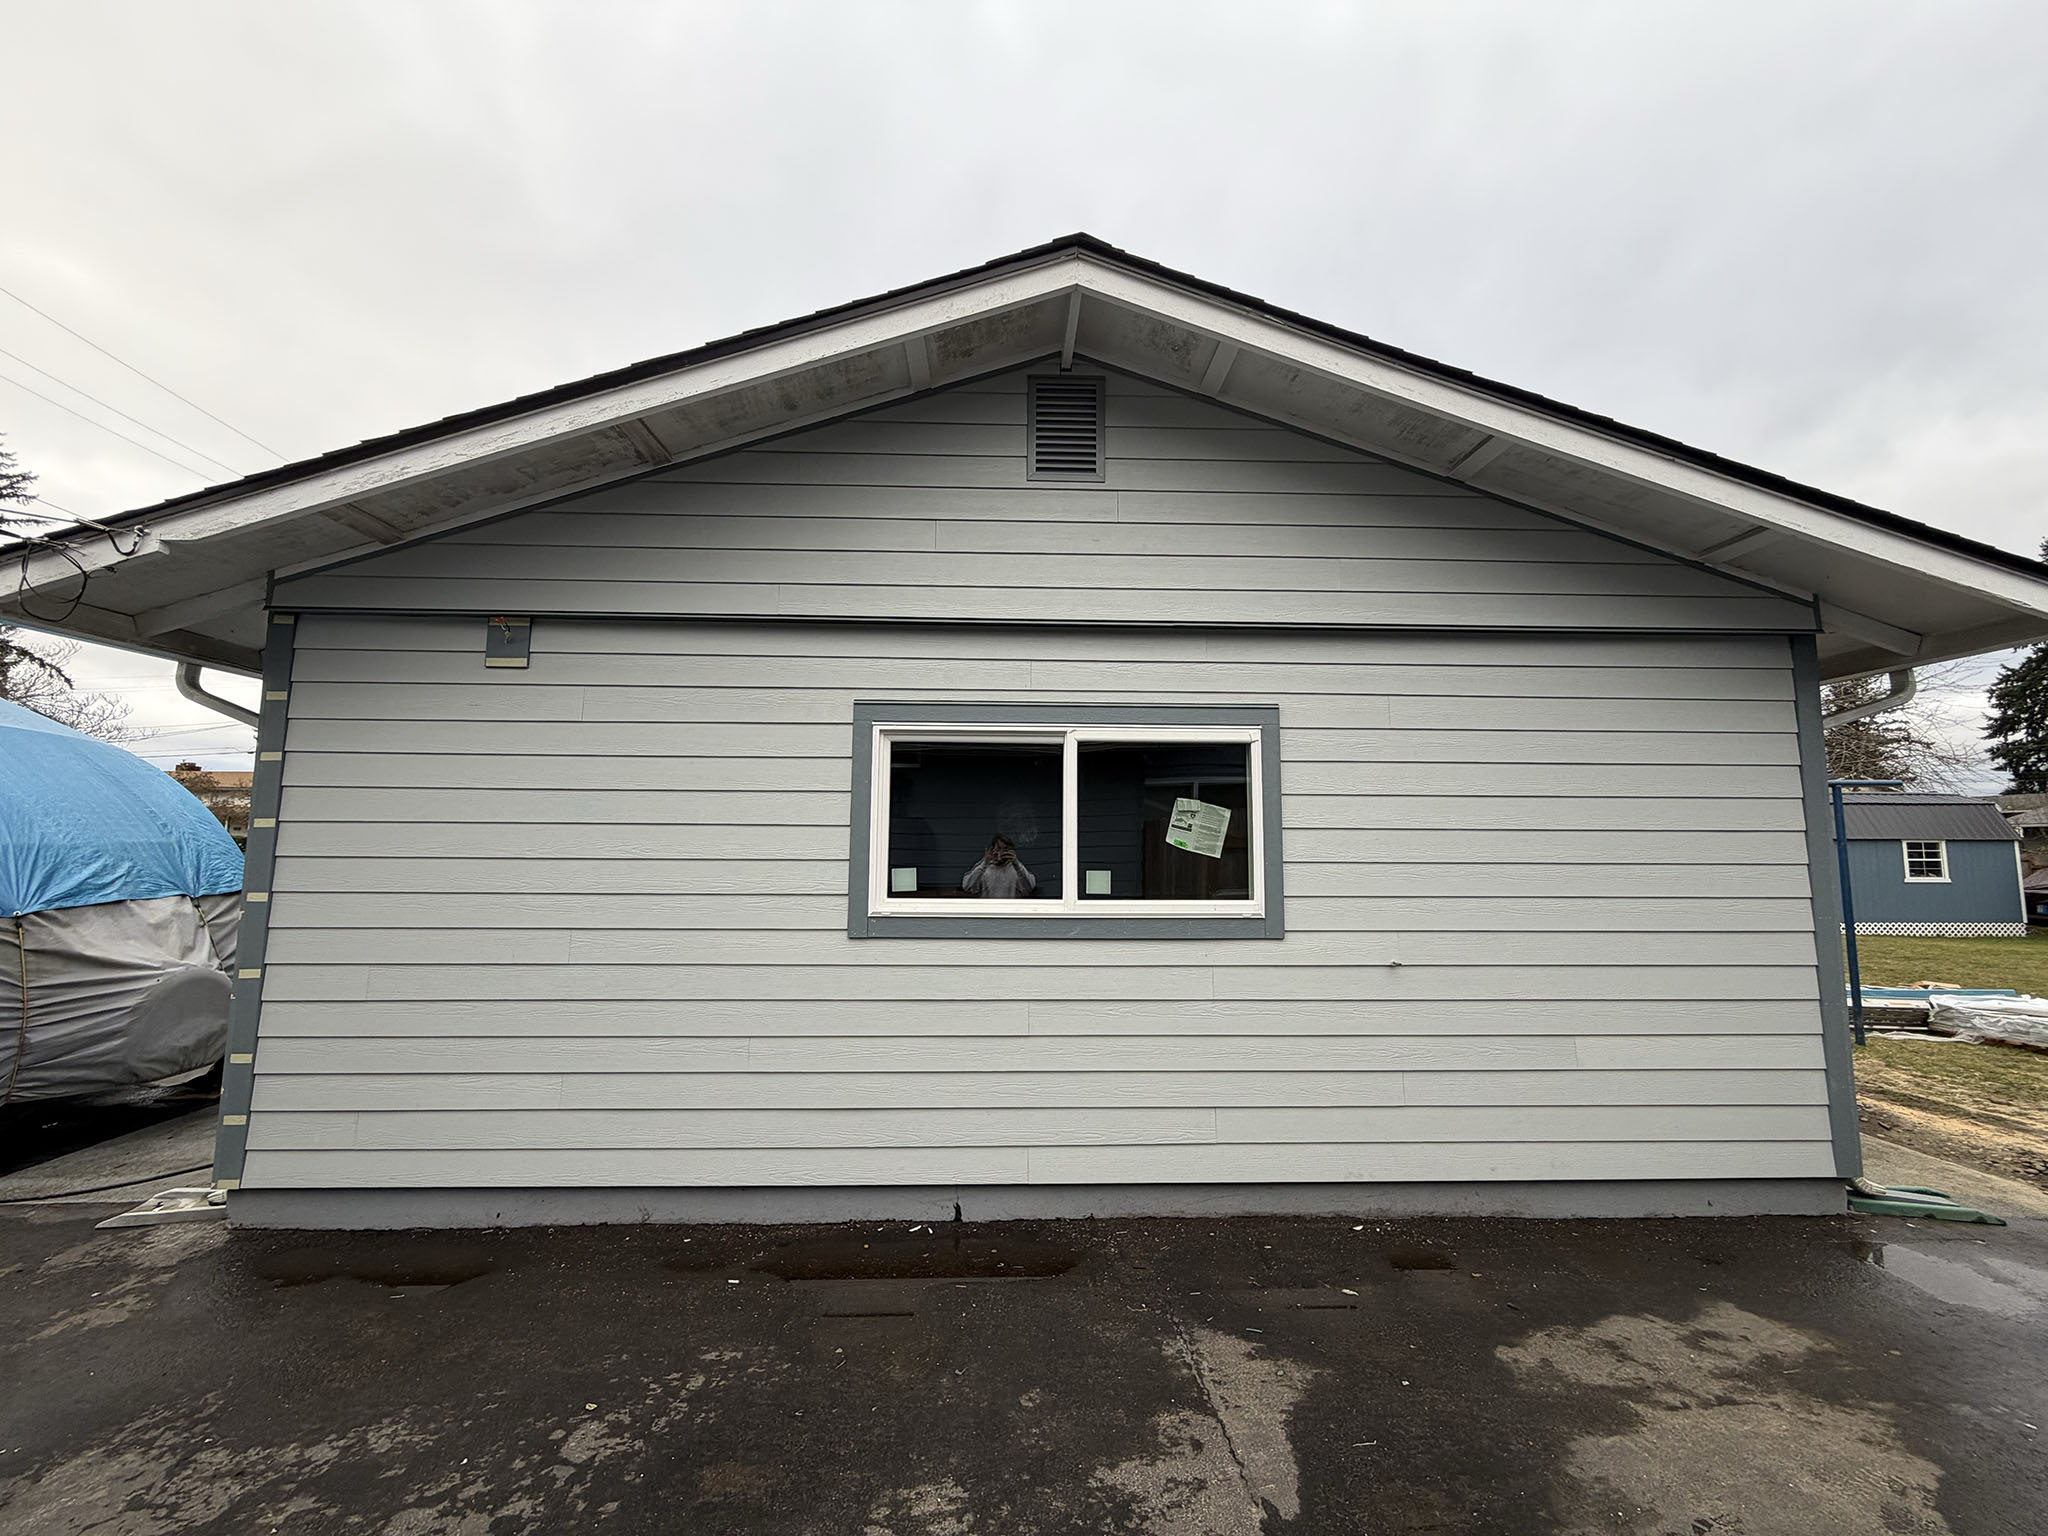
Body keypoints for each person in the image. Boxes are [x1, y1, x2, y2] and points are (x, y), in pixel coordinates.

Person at [962, 834, 1037, 898]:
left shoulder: (1016, 869)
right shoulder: (984, 868)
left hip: (1010, 912)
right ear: (992, 850)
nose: (1001, 853)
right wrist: (985, 862)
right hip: (988, 912)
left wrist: (1017, 864)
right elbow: (967, 887)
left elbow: (1030, 887)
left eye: (1005, 849)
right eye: (998, 849)